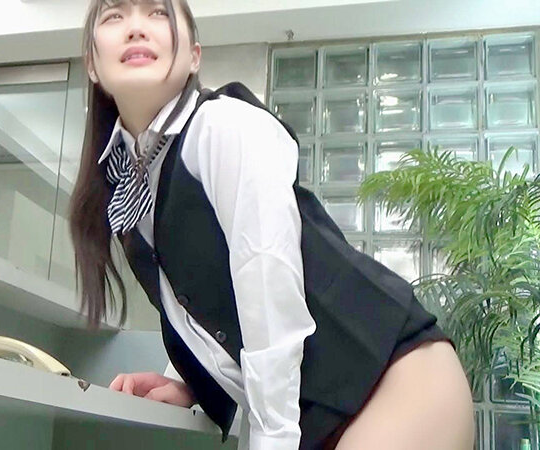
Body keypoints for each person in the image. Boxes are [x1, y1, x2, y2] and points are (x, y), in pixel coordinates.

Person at [68, 0, 475, 448]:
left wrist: (272, 440)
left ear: (194, 57)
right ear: (92, 63)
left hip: (394, 383)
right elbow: (201, 297)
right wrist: (190, 379)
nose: (135, 27)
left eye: (158, 13)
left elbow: (268, 282)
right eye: (114, 16)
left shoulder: (224, 125)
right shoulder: (129, 184)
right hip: (327, 411)